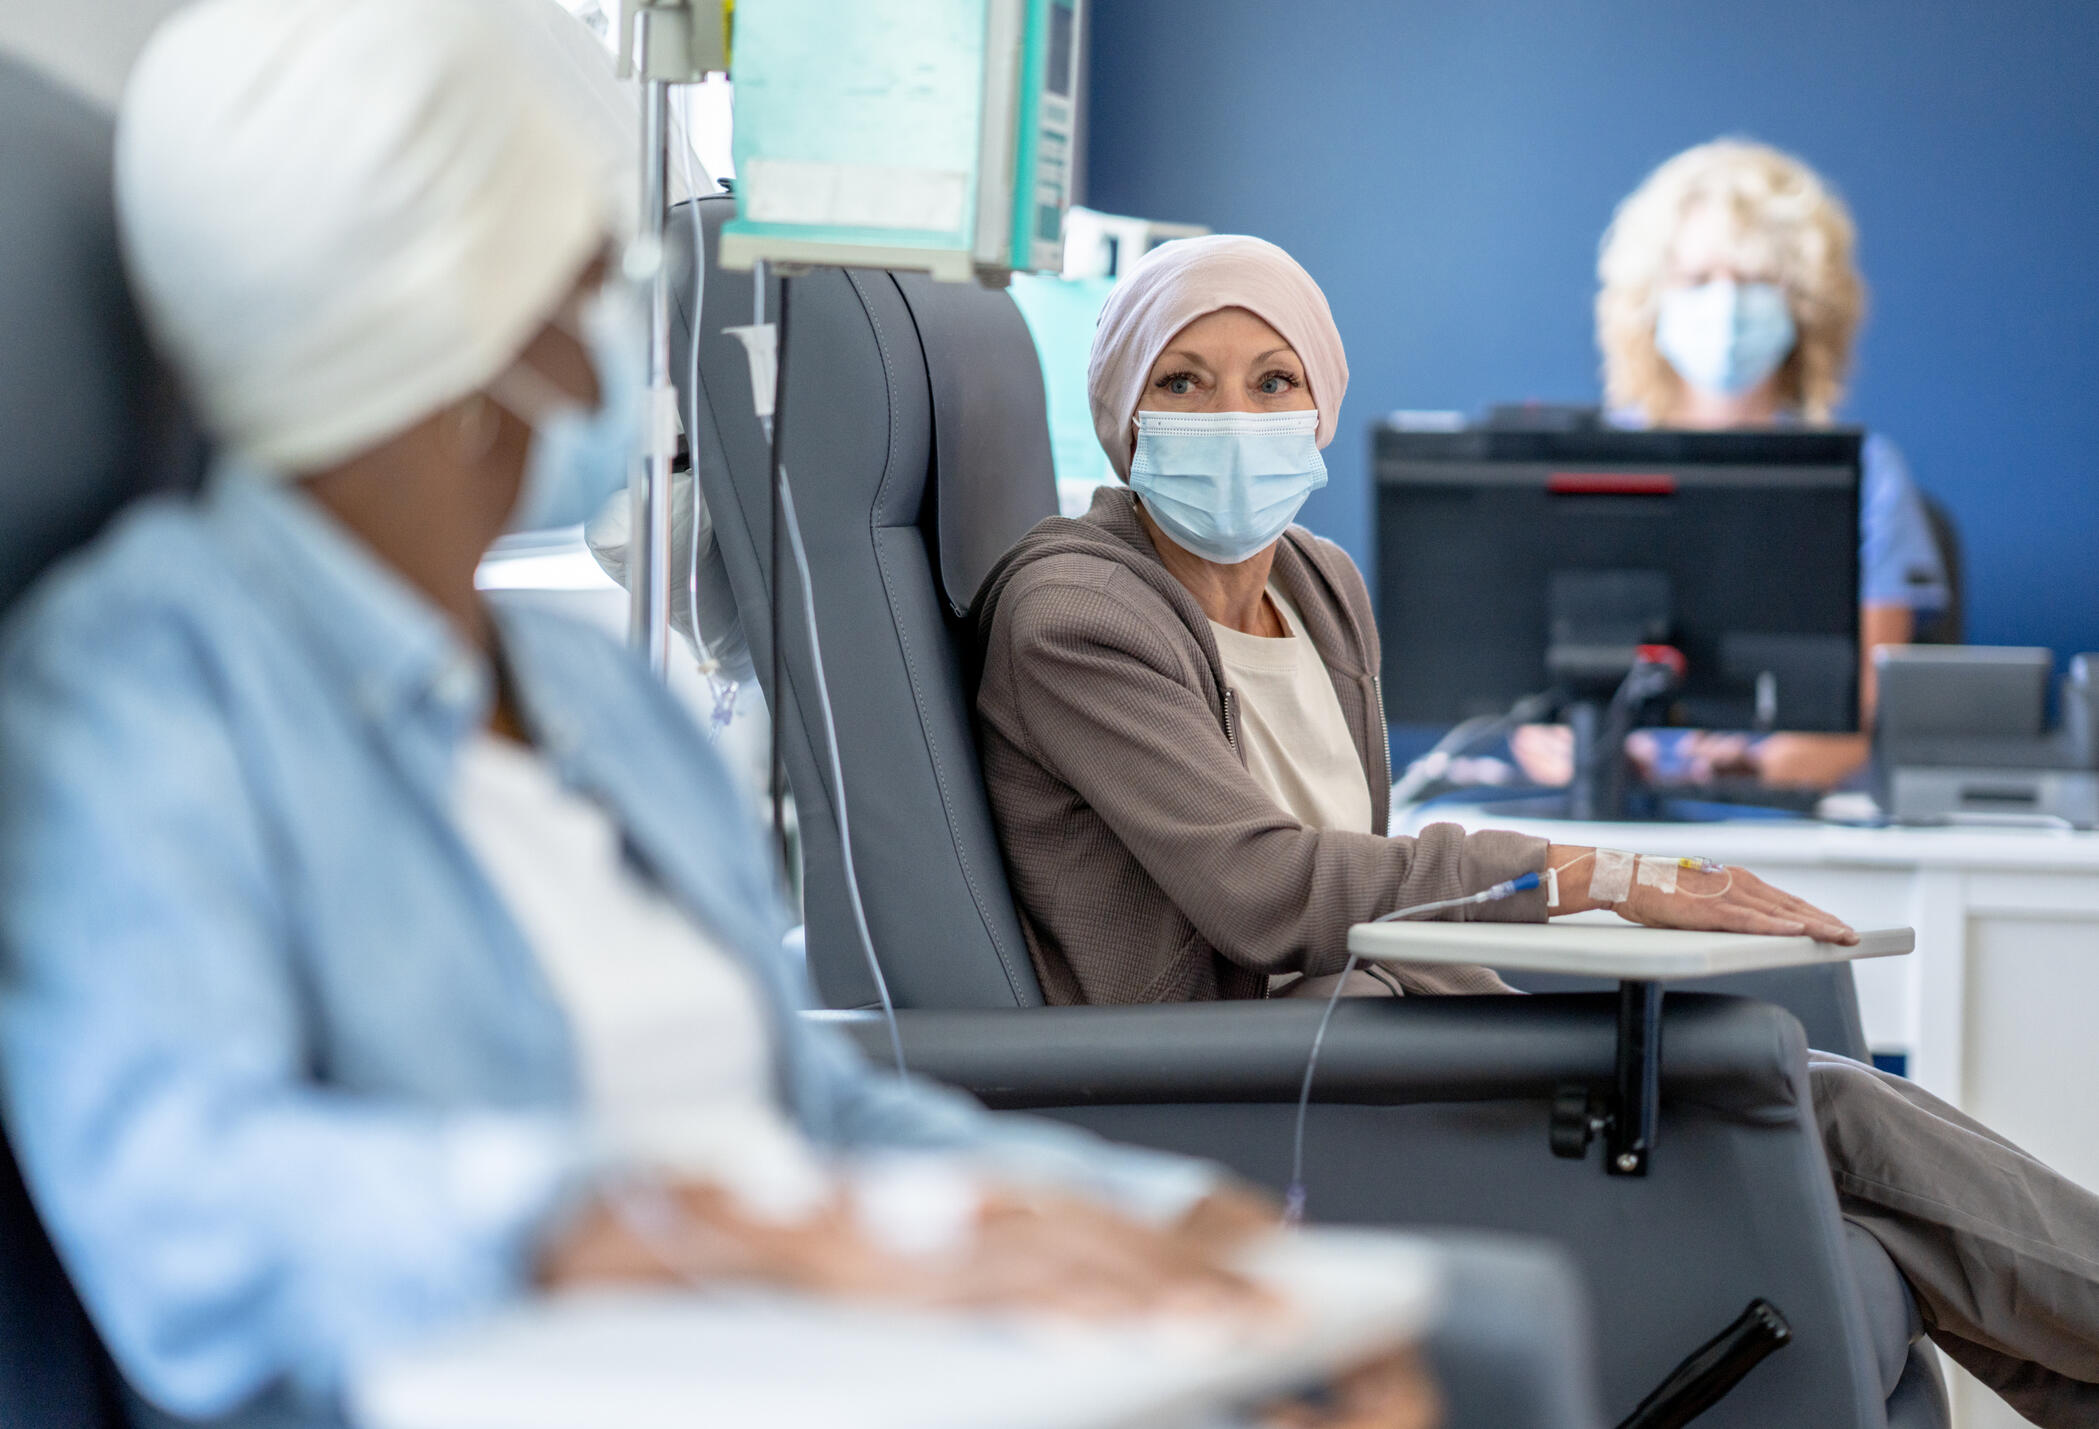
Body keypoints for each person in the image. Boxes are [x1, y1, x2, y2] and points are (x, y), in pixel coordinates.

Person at [0, 6, 1442, 1426]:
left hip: (824, 1341)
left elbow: (815, 1107)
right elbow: (182, 1184)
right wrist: (695, 1230)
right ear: (445, 343)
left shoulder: (593, 701)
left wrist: (1185, 1225)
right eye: (574, 304)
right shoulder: (148, 683)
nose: (602, 369)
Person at [970, 231, 2099, 1424]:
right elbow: (1264, 890)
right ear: (1119, 408)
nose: (1231, 415)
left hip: (1361, 1045)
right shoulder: (1075, 613)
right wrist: (1587, 874)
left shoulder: (1316, 583)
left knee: (1819, 1120)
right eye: (1181, 381)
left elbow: (1369, 879)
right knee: (1825, 1110)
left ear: (1320, 403)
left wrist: (1520, 1003)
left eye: (1272, 378)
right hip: (1241, 1089)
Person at [1513, 138, 1950, 791]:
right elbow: (1523, 697)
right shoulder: (1586, 466)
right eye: (1695, 279)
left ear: (1805, 303)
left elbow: (1850, 722)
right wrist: (1554, 743)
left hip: (1785, 826)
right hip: (1607, 815)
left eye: (1752, 280)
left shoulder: (1866, 475)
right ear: (1649, 298)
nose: (1725, 304)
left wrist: (1753, 770)